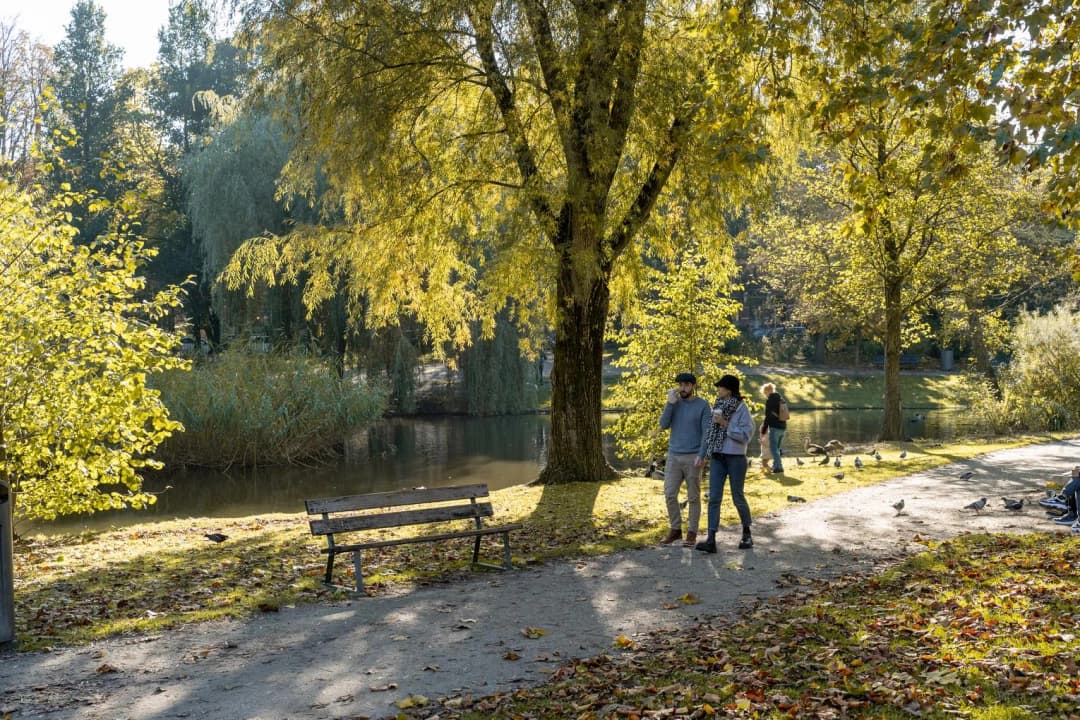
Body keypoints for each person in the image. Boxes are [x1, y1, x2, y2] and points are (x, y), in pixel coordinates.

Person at [696, 374, 756, 552]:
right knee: (714, 497)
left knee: (737, 496)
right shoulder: (718, 405)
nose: (718, 389)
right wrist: (705, 452)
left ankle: (747, 534)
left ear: (729, 390)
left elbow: (746, 435)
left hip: (736, 458)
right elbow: (710, 433)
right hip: (717, 457)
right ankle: (711, 539)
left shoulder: (741, 409)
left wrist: (725, 424)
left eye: (721, 387)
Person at [657, 372, 712, 547]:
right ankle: (675, 530)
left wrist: (702, 455)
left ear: (693, 386)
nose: (682, 388)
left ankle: (692, 532)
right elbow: (664, 424)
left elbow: (707, 433)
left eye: (686, 385)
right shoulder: (674, 403)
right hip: (673, 456)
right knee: (669, 493)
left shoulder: (703, 405)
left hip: (693, 457)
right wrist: (669, 404)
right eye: (680, 385)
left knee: (693, 497)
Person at [760, 382, 788, 473]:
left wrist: (764, 429)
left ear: (768, 391)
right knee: (778, 448)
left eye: (765, 393)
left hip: (775, 427)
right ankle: (776, 465)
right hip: (783, 426)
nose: (765, 395)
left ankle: (779, 467)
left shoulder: (770, 400)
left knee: (773, 448)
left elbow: (768, 416)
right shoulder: (781, 399)